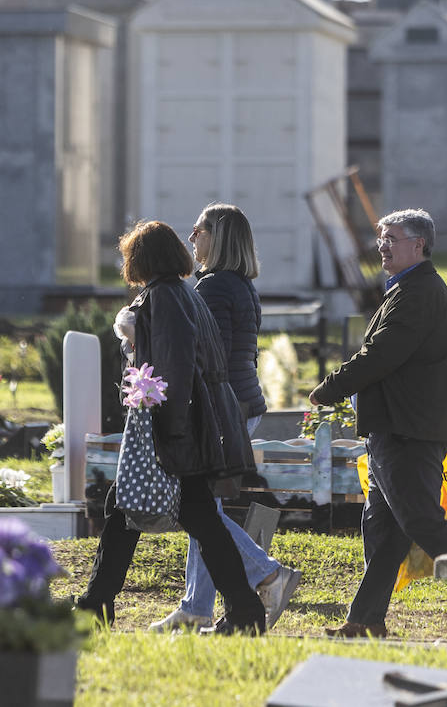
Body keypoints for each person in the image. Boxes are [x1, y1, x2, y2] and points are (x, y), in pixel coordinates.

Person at [309, 208, 447, 639]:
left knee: (423, 522)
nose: (381, 245)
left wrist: (329, 389)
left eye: (392, 238)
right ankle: (366, 620)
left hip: (408, 431)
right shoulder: (408, 289)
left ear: (418, 245)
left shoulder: (417, 292)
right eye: (381, 237)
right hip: (401, 428)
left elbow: (380, 355)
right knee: (385, 531)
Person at [75, 220, 266, 635]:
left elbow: (174, 366)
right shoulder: (180, 293)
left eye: (129, 256)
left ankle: (246, 611)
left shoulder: (164, 296)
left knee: (193, 521)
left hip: (176, 429)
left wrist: (171, 435)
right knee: (129, 511)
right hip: (186, 425)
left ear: (141, 259)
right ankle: (96, 604)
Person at [149, 203, 303, 632]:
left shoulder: (214, 288)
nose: (191, 238)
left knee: (199, 509)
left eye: (198, 229)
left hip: (222, 410)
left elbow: (205, 357)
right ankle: (196, 606)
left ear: (216, 238)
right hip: (242, 404)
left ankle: (268, 573)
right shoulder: (240, 286)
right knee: (205, 506)